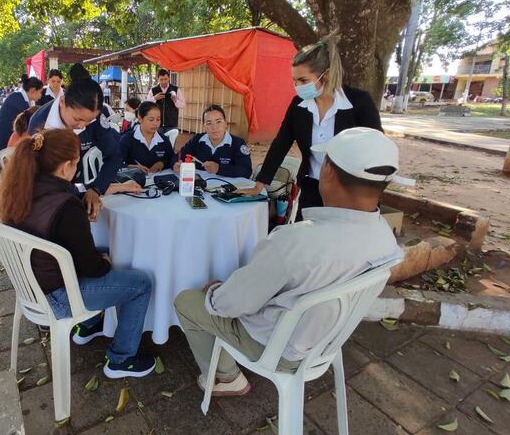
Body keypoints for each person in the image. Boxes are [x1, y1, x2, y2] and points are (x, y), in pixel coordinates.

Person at [174, 127, 406, 396]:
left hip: (276, 347)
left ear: (327, 172)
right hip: (325, 342)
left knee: (188, 300)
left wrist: (214, 292)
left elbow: (231, 304)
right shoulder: (385, 239)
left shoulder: (295, 243)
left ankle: (227, 378)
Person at [0, 128, 156, 378]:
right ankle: (122, 358)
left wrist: (96, 194)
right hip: (59, 295)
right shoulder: (66, 207)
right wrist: (104, 262)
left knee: (107, 252)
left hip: (33, 282)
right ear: (66, 166)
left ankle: (89, 325)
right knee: (142, 282)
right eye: (76, 163)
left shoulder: (23, 187)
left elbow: (65, 214)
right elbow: (92, 267)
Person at [237, 32, 382, 217]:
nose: (297, 86)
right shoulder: (298, 105)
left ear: (326, 75)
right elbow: (281, 143)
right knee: (306, 239)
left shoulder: (359, 103)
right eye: (294, 81)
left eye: (303, 80)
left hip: (351, 193)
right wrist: (260, 184)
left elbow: (377, 150)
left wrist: (367, 196)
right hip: (312, 186)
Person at [29, 64, 125, 220]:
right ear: (62, 102)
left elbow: (114, 155)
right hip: (47, 200)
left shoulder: (95, 120)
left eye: (88, 121)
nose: (82, 126)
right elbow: (41, 179)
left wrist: (96, 189)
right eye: (77, 119)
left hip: (76, 187)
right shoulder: (40, 123)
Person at [174, 105, 252, 179]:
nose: (214, 127)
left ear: (225, 123)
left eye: (218, 122)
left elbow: (246, 171)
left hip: (226, 188)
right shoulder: (197, 140)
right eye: (209, 123)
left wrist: (219, 168)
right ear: (204, 126)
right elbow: (179, 156)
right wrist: (175, 165)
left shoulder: (238, 143)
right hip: (200, 186)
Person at [0, 75, 44, 169]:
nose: (41, 95)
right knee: (7, 174)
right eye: (40, 92)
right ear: (33, 90)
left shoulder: (21, 98)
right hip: (1, 140)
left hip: (8, 139)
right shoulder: (19, 101)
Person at [118, 101, 177, 174]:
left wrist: (162, 163)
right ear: (140, 119)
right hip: (133, 182)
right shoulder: (127, 139)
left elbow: (172, 158)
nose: (156, 123)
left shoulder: (163, 140)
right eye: (151, 120)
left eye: (158, 119)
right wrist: (134, 167)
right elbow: (116, 163)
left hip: (157, 181)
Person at [146, 68, 185, 132]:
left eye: (166, 79)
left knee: (170, 142)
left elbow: (183, 105)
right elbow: (147, 105)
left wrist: (176, 100)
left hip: (172, 124)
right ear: (158, 79)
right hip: (157, 124)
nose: (164, 81)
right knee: (157, 141)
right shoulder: (153, 90)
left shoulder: (176, 89)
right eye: (161, 79)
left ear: (169, 78)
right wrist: (154, 98)